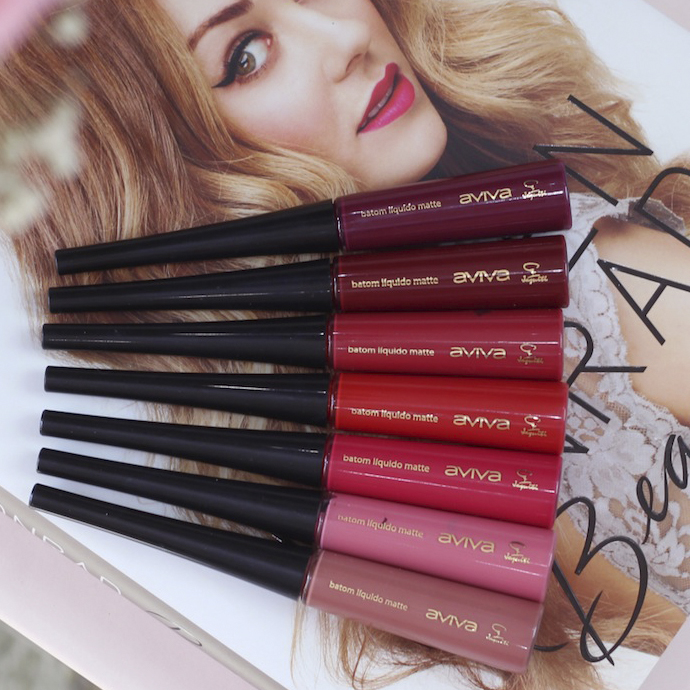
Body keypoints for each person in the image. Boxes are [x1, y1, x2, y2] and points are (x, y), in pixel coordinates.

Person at [1, 1, 688, 688]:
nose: (348, 35)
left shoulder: (591, 285)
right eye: (246, 56)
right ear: (176, 175)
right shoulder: (561, 303)